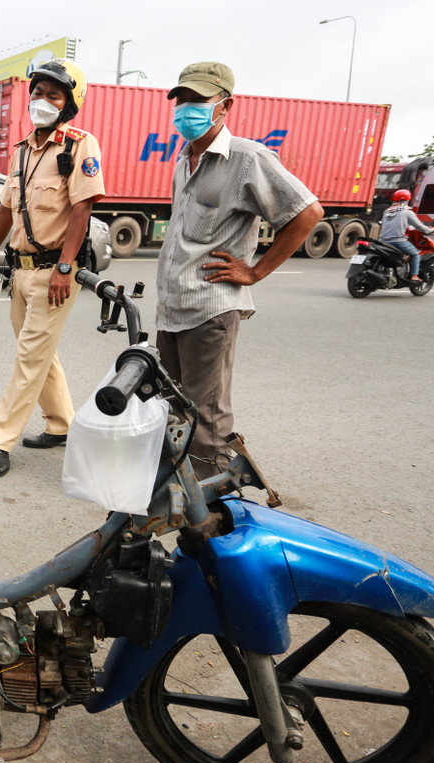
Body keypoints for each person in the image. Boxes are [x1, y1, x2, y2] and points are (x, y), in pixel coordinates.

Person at [156, 62, 324, 478]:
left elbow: (307, 212)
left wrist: (255, 272)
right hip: (172, 305)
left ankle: (214, 514)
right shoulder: (184, 160)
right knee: (174, 408)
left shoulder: (247, 158)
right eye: (182, 100)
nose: (186, 110)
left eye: (198, 100)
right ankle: (181, 494)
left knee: (206, 419)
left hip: (210, 309)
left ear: (224, 105)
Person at [0, 59, 105, 478]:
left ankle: (1, 439)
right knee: (40, 354)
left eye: (53, 94)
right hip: (20, 272)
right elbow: (6, 211)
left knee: (29, 358)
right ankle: (62, 424)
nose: (41, 101)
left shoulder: (80, 145)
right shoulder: (23, 151)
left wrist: (66, 266)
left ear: (69, 102)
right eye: (37, 92)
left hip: (54, 274)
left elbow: (82, 209)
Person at [379, 189, 434, 281]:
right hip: (397, 241)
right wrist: (429, 230)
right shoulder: (407, 212)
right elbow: (419, 226)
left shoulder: (387, 212)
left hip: (382, 241)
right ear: (407, 200)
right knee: (414, 254)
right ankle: (414, 276)